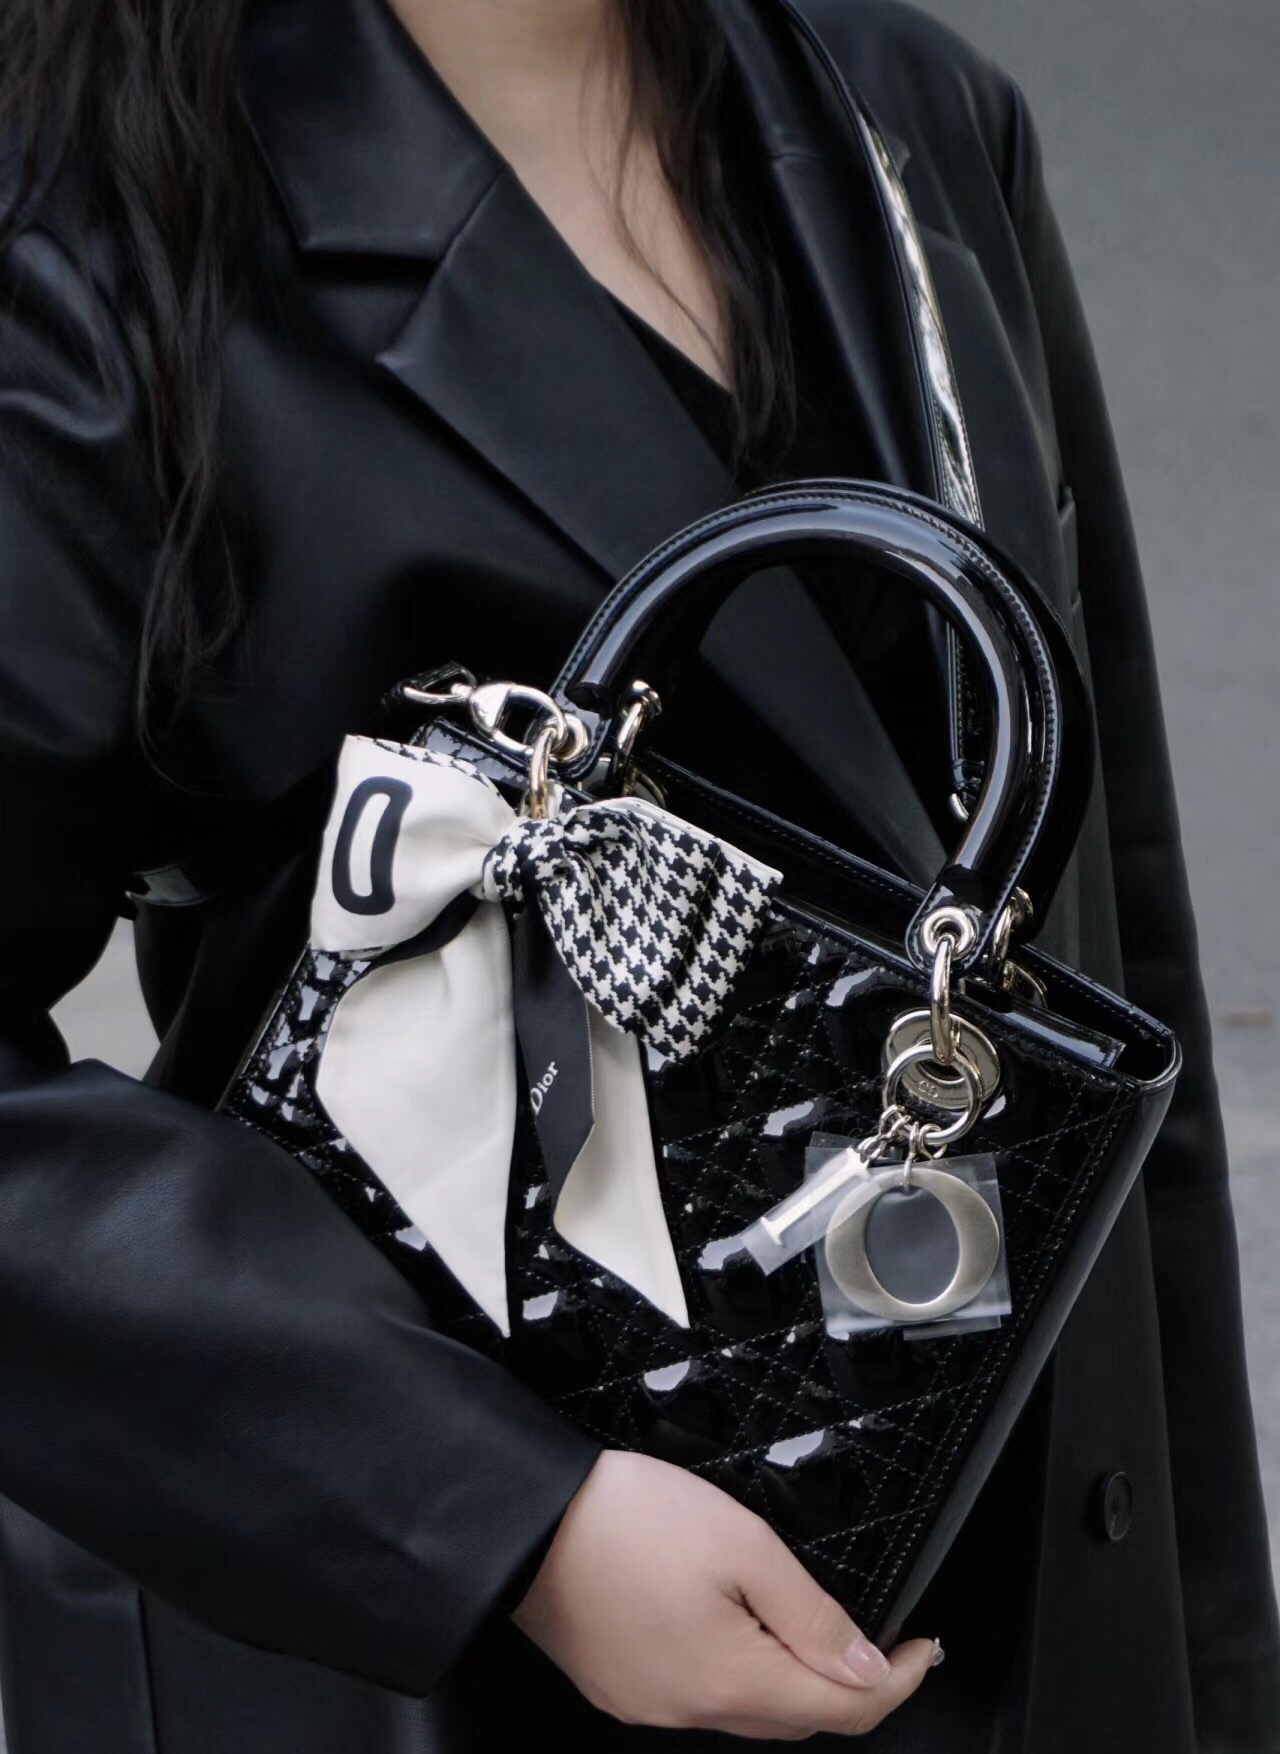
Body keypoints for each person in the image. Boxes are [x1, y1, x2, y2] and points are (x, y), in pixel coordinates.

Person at [0, 0, 1275, 1749]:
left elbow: (1109, 940)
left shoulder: (909, 117)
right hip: (438, 1667)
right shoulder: (92, 236)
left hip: (1019, 1624)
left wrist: (1208, 1672)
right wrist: (509, 1519)